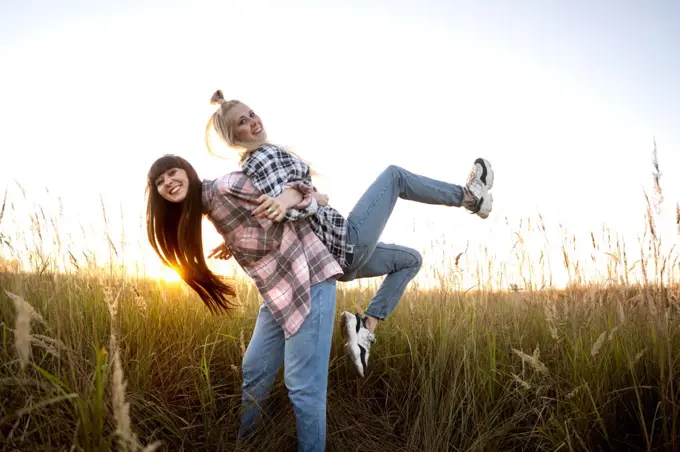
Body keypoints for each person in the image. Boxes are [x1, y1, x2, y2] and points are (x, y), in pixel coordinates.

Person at [205, 90, 495, 377]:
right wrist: (309, 198)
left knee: (410, 260)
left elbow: (269, 211)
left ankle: (365, 329)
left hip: (338, 263)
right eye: (243, 122)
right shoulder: (264, 156)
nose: (253, 121)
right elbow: (286, 205)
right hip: (345, 243)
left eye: (252, 113)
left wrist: (233, 239)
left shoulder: (248, 168)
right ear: (234, 138)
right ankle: (470, 197)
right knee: (395, 177)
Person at [146, 154, 343, 451]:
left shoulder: (225, 186)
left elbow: (282, 197)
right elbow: (261, 216)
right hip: (278, 292)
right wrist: (235, 241)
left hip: (308, 278)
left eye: (172, 173)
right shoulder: (210, 206)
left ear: (188, 171)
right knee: (255, 369)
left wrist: (314, 196)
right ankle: (247, 444)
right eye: (159, 182)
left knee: (304, 387)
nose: (168, 183)